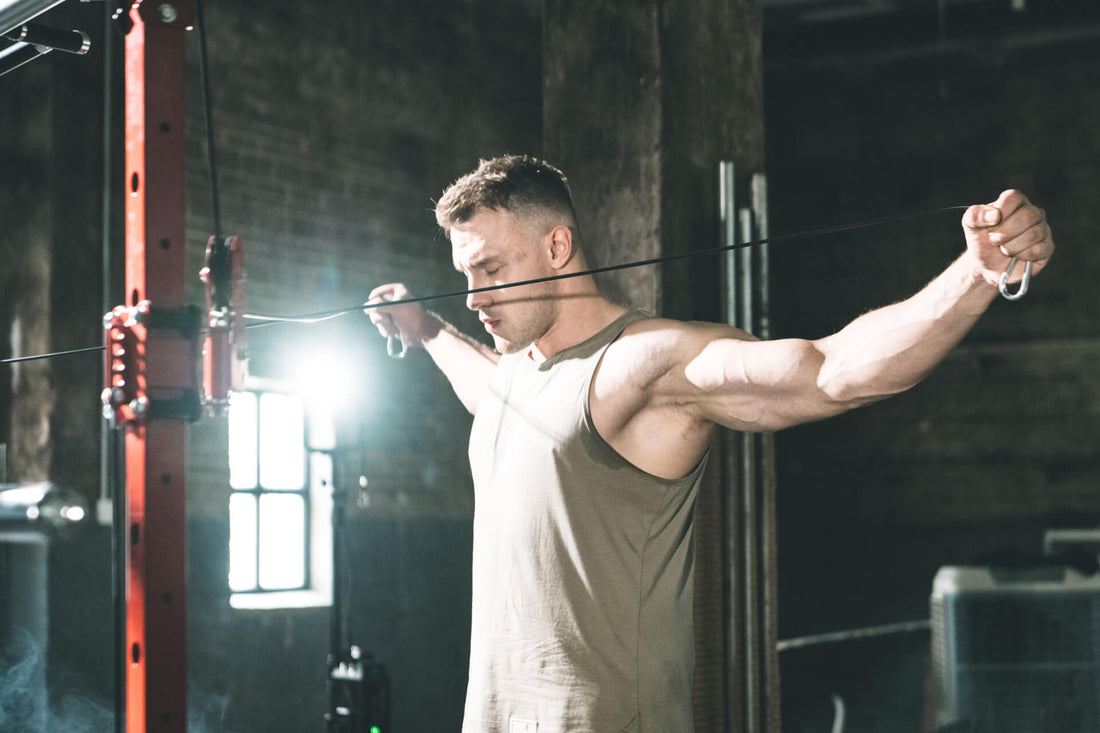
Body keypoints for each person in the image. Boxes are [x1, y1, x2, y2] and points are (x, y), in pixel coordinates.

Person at [366, 155, 1054, 732]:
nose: (473, 296)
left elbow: (830, 370)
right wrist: (424, 326)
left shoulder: (646, 364)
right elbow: (485, 383)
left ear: (556, 246)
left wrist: (976, 273)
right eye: (463, 276)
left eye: (489, 269)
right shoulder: (516, 377)